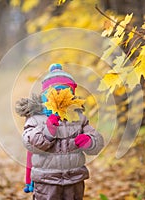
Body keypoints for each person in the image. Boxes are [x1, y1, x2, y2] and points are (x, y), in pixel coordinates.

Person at [16, 63, 104, 200]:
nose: (60, 98)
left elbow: (97, 139)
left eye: (65, 93)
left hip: (74, 179)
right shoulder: (36, 118)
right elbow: (29, 142)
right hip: (46, 181)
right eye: (55, 93)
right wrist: (48, 131)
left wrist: (90, 141)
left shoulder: (77, 117)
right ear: (45, 96)